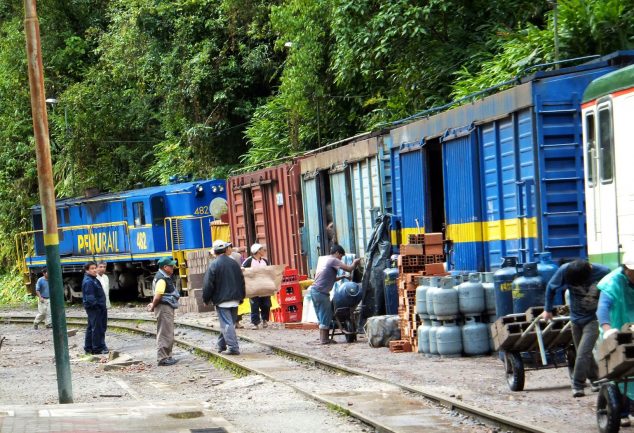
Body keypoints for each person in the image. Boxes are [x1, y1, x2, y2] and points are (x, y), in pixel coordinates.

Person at [540, 259, 609, 397]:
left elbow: (613, 293)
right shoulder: (565, 270)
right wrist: (547, 309)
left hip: (593, 318)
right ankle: (595, 381)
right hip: (575, 319)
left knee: (583, 352)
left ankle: (577, 385)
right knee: (583, 354)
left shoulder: (603, 272)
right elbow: (551, 287)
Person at [597, 252, 634, 426]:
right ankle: (623, 411)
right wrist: (607, 330)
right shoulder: (612, 282)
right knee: (621, 370)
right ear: (626, 269)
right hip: (616, 328)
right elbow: (603, 308)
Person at [311, 244, 360, 345]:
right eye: (341, 256)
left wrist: (342, 277)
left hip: (315, 291)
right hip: (321, 293)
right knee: (326, 315)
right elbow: (350, 269)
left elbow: (329, 278)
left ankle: (323, 338)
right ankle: (324, 340)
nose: (341, 258)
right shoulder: (333, 260)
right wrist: (355, 263)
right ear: (337, 253)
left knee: (321, 315)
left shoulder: (325, 260)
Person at [203, 240, 246, 355]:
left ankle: (233, 347)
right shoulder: (234, 263)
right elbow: (242, 281)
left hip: (222, 300)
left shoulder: (214, 264)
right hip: (235, 298)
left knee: (227, 324)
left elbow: (208, 284)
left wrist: (206, 299)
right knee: (229, 323)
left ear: (215, 252)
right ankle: (221, 345)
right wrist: (241, 296)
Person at [146, 257, 180, 366]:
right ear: (165, 267)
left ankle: (167, 356)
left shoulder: (163, 276)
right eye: (171, 266)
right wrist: (153, 305)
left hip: (165, 307)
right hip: (164, 308)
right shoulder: (162, 279)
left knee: (167, 331)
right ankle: (163, 358)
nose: (173, 267)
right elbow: (158, 296)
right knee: (165, 332)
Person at [242, 243, 271, 329]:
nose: (263, 251)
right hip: (253, 287)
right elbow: (242, 269)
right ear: (258, 251)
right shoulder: (249, 261)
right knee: (254, 305)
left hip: (264, 287)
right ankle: (255, 323)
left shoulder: (265, 261)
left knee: (266, 304)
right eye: (262, 249)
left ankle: (265, 320)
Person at [82, 261, 108, 355]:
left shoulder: (93, 279)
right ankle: (97, 348)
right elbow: (90, 297)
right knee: (97, 328)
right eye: (92, 269)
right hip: (95, 308)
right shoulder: (89, 281)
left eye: (94, 268)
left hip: (97, 307)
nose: (94, 270)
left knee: (91, 327)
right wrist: (97, 306)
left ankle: (88, 347)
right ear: (87, 270)